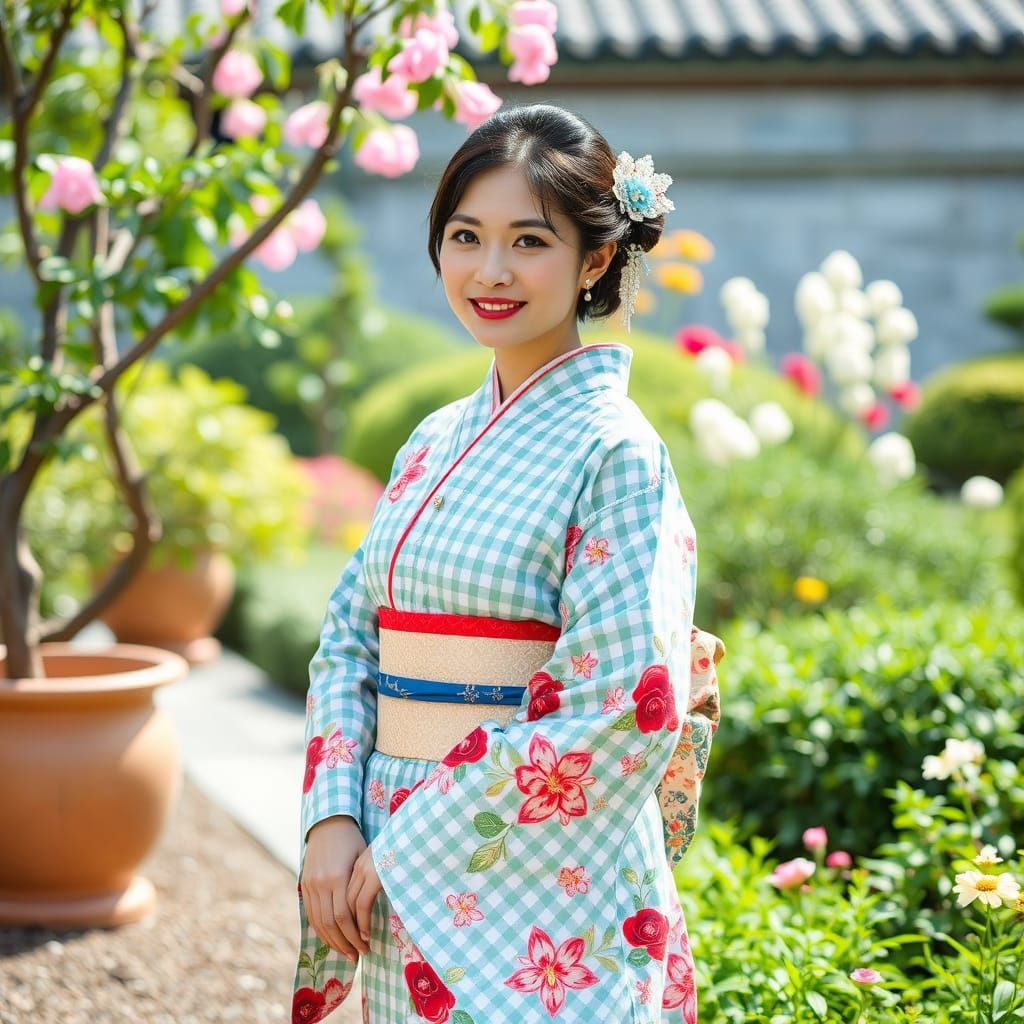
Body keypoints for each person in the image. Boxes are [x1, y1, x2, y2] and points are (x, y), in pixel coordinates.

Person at [291, 103, 724, 1024]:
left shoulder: (617, 451)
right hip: (385, 840)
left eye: (529, 241)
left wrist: (414, 843)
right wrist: (334, 816)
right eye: (465, 236)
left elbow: (625, 703)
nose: (490, 271)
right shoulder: (432, 437)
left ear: (596, 260)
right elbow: (350, 636)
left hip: (527, 874)